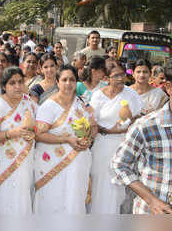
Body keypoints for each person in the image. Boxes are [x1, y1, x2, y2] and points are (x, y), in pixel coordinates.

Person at [112, 59, 172, 214]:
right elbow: (120, 165)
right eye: (139, 71)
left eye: (145, 71)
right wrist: (152, 200)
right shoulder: (146, 126)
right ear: (169, 88)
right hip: (151, 214)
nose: (142, 74)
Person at [34, 65, 95, 214]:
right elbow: (39, 134)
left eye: (72, 80)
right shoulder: (49, 106)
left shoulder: (83, 103)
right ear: (57, 82)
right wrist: (66, 140)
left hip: (77, 162)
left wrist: (89, 139)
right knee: (52, 199)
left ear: (77, 82)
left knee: (73, 199)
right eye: (64, 79)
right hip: (52, 163)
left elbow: (94, 126)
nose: (68, 83)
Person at [90, 61, 143, 214]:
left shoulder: (131, 94)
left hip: (123, 145)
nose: (121, 79)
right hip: (103, 143)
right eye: (116, 76)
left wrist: (128, 124)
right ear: (107, 78)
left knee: (118, 186)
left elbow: (138, 117)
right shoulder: (98, 95)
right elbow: (91, 121)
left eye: (123, 75)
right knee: (100, 184)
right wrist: (108, 130)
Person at [0, 67, 37, 214]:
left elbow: (38, 126)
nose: (17, 86)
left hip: (25, 160)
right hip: (2, 162)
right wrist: (14, 132)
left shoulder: (29, 102)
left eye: (20, 82)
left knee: (22, 196)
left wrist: (33, 133)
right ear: (4, 86)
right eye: (12, 83)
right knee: (4, 197)